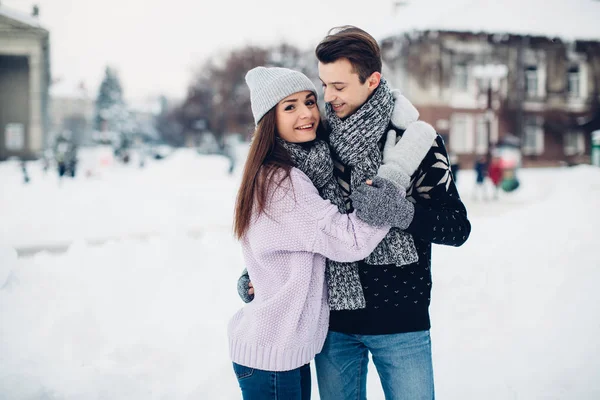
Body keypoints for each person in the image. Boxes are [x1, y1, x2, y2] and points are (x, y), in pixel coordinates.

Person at [239, 26, 471, 400]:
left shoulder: (413, 143)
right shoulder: (317, 139)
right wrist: (261, 274)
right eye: (324, 85)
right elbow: (301, 223)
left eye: (339, 87)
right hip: (334, 326)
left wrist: (403, 213)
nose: (327, 97)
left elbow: (457, 228)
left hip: (402, 322)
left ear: (372, 80)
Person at [229, 66, 414, 400]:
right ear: (270, 120)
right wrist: (387, 199)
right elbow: (349, 239)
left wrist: (257, 276)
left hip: (279, 351)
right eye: (290, 107)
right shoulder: (285, 183)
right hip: (274, 353)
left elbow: (279, 246)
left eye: (310, 101)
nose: (306, 114)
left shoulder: (280, 171)